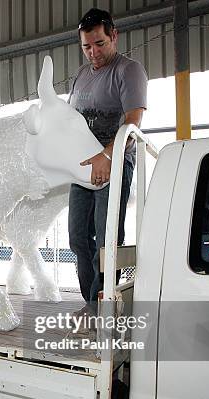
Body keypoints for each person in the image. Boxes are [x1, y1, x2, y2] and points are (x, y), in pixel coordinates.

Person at [67, 7, 147, 313]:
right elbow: (71, 122)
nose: (93, 52)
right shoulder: (81, 75)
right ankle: (91, 303)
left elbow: (133, 121)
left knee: (106, 240)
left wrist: (106, 156)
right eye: (87, 46)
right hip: (83, 167)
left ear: (114, 35)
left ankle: (104, 307)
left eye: (99, 44)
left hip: (114, 162)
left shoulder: (128, 70)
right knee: (77, 239)